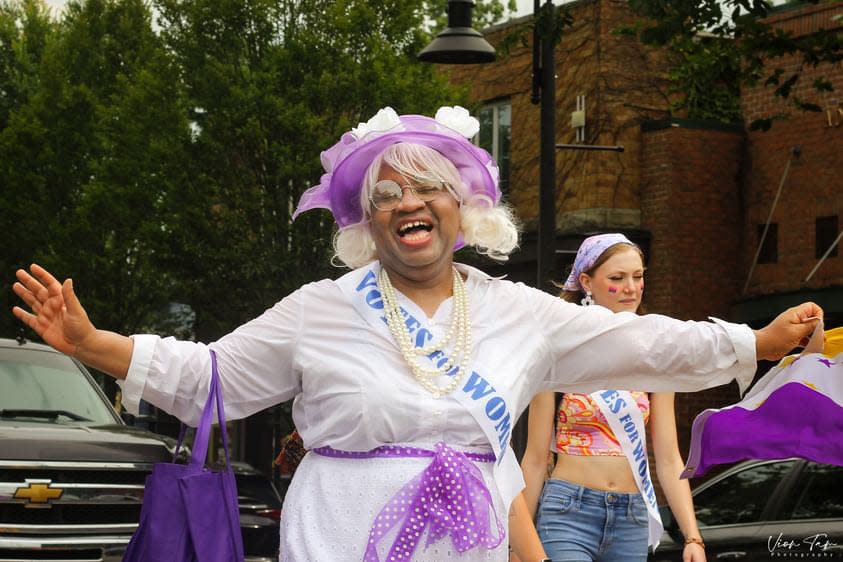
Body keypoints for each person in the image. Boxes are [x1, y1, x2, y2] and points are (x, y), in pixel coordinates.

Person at [12, 106, 822, 562]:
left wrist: (750, 342)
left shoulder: (516, 310)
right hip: (338, 535)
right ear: (368, 220)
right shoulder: (319, 307)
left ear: (460, 208)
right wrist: (91, 344)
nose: (407, 203)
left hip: (470, 542)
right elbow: (211, 376)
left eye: (426, 188)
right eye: (386, 192)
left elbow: (643, 346)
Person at [515, 233, 706, 562]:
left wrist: (693, 537)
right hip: (567, 513)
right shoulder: (558, 352)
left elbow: (669, 457)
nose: (631, 287)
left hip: (631, 518)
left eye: (638, 276)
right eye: (617, 278)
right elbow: (534, 459)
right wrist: (518, 545)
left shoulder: (655, 354)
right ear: (587, 282)